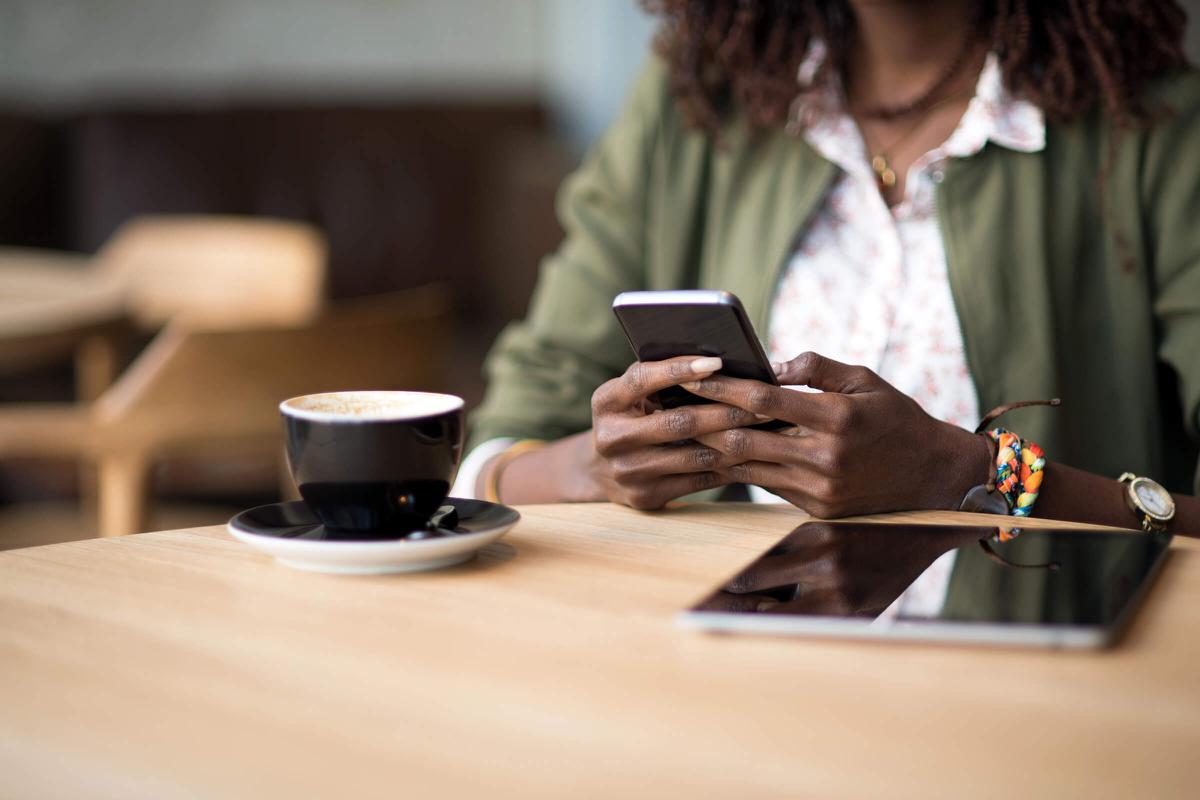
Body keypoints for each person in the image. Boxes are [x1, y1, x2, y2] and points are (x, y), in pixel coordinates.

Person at [453, 0, 1200, 534]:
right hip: (734, 683)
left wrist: (966, 474)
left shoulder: (1158, 135)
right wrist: (597, 469)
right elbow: (501, 453)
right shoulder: (698, 100)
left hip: (1046, 708)